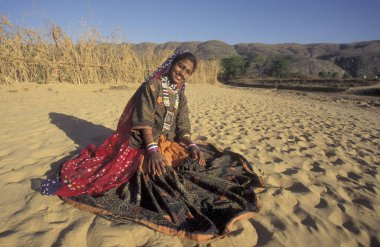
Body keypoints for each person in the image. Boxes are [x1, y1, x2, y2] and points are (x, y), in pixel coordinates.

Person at [40, 50, 263, 241]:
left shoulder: (180, 96)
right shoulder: (153, 87)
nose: (182, 73)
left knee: (197, 163)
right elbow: (143, 120)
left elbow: (183, 127)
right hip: (143, 143)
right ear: (172, 64)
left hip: (167, 142)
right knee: (160, 176)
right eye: (180, 67)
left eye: (187, 71)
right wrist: (153, 150)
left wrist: (191, 144)